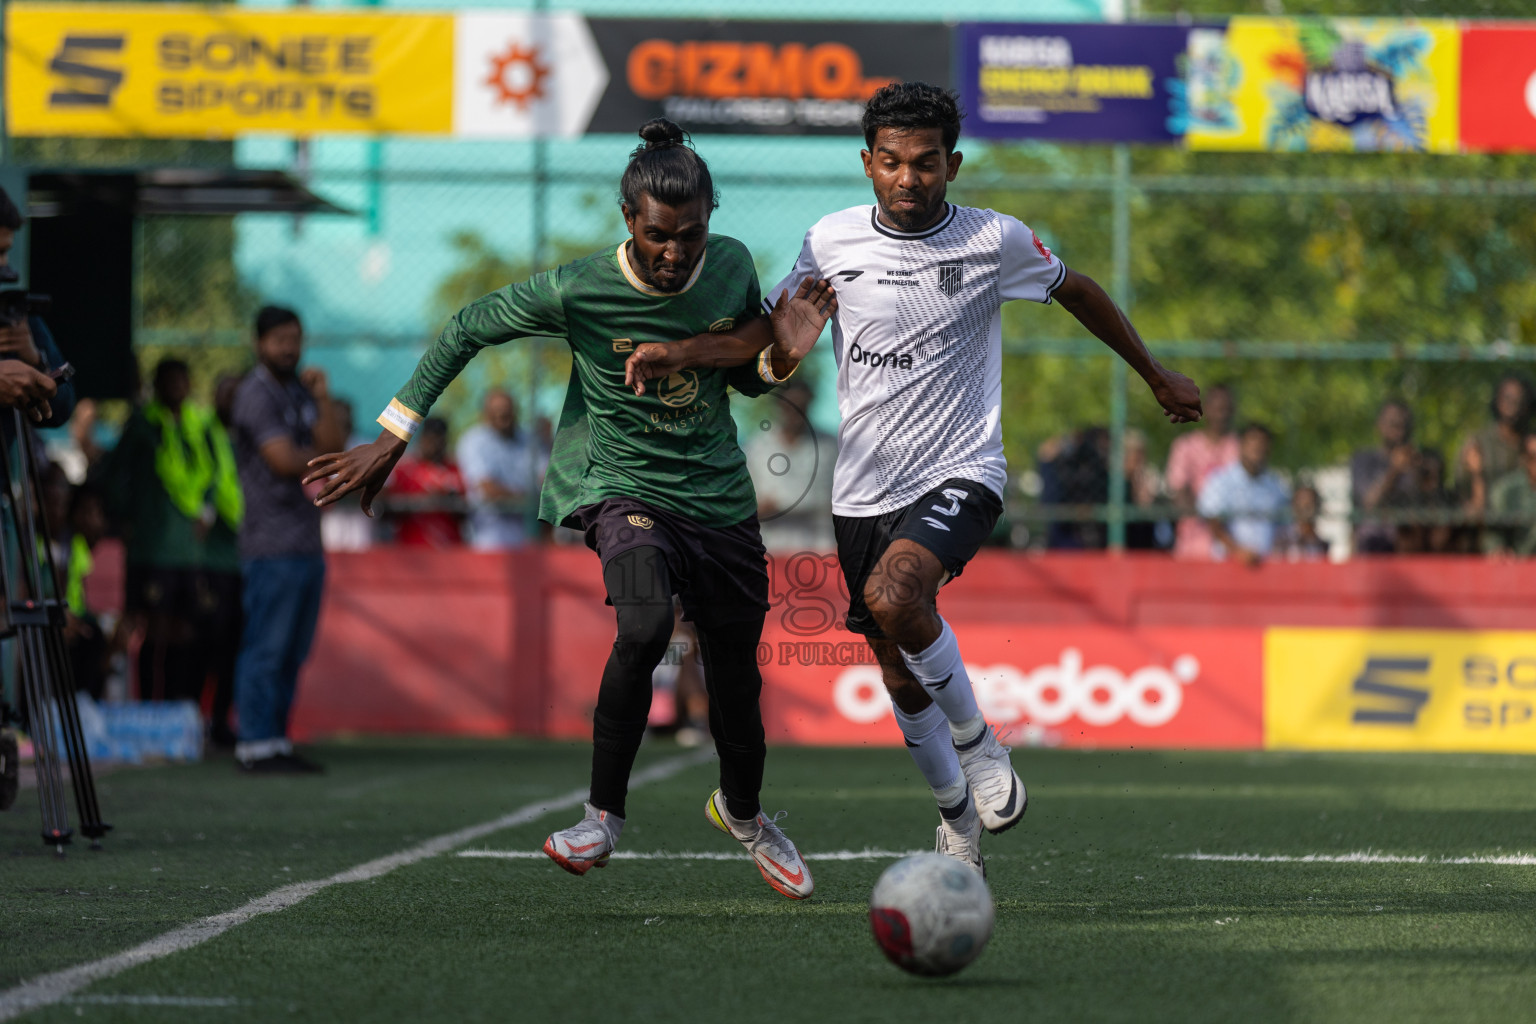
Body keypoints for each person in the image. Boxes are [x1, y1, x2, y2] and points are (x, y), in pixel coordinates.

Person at [624, 83, 1201, 875]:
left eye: (926, 163)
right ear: (867, 163)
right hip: (861, 490)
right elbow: (773, 334)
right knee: (895, 663)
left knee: (898, 598)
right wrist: (686, 353)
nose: (908, 178)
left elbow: (1079, 291)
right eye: (891, 162)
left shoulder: (993, 240)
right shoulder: (828, 241)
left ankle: (983, 747)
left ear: (952, 165)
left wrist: (1155, 373)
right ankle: (954, 814)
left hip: (962, 467)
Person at [304, 120, 837, 897]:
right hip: (622, 488)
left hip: (718, 497)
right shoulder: (579, 288)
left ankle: (746, 814)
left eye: (689, 235)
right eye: (657, 235)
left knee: (734, 681)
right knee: (647, 624)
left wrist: (781, 353)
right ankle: (601, 819)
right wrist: (394, 431)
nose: (673, 253)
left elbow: (747, 377)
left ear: (709, 224)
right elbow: (465, 327)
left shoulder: (729, 267)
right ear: (630, 220)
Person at [229, 306, 347, 773]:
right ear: (259, 343)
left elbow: (334, 445)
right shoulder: (254, 393)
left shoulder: (299, 389)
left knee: (293, 650)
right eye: (279, 340)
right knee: (267, 647)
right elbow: (281, 460)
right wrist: (318, 456)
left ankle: (275, 740)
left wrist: (322, 397)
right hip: (269, 543)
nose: (290, 349)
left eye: (295, 339)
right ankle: (254, 744)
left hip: (304, 542)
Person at [98, 359, 241, 707]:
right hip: (152, 547)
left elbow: (215, 472)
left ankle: (179, 710)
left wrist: (207, 510)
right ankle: (148, 707)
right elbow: (114, 474)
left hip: (189, 550)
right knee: (152, 630)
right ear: (157, 385)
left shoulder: (200, 425)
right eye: (169, 381)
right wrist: (126, 518)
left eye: (182, 380)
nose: (177, 387)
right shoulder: (143, 425)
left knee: (186, 631)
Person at [0, 187, 70, 426]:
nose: (3, 265)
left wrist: (36, 360)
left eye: (5, 252)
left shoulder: (12, 315)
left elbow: (60, 411)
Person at [741, 378, 836, 551]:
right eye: (789, 407)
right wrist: (761, 509)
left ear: (810, 404)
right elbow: (743, 508)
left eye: (801, 407)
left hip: (821, 549)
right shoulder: (756, 447)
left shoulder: (830, 447)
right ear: (778, 406)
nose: (795, 414)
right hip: (772, 550)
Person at [456, 390, 538, 549]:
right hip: (489, 537)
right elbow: (488, 490)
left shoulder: (529, 440)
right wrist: (530, 500)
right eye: (498, 413)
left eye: (507, 412)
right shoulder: (473, 440)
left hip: (528, 535)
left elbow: (547, 481)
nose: (504, 418)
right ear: (486, 414)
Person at [1198, 423, 1289, 565]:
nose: (1257, 448)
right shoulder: (1221, 480)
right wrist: (1237, 551)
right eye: (1253, 442)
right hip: (1227, 565)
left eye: (1262, 444)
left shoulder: (1276, 486)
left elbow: (1284, 526)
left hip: (1266, 566)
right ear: (1241, 445)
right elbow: (1213, 522)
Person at [1165, 383, 1237, 560]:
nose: (1222, 414)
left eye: (1226, 409)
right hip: (1193, 544)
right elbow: (1180, 493)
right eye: (1217, 408)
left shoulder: (1239, 448)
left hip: (1232, 545)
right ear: (1206, 409)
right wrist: (1209, 515)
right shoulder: (1185, 447)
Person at [1458, 375, 1535, 523]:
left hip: (1526, 521)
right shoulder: (1479, 442)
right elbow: (1463, 491)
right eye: (1507, 397)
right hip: (1487, 522)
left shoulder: (1531, 443)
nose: (1513, 403)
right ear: (1497, 401)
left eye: (1519, 399)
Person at [385, 416, 466, 547]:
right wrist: (423, 501)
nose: (434, 444)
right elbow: (390, 508)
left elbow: (465, 511)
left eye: (438, 438)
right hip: (412, 547)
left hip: (448, 547)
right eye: (430, 438)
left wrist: (448, 500)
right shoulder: (406, 470)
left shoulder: (454, 470)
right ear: (422, 439)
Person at [1350, 400, 1416, 554]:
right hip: (1370, 546)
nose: (1399, 431)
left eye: (1403, 425)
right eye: (1393, 424)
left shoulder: (1415, 464)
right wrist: (1394, 471)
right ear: (1379, 425)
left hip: (1406, 548)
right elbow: (1369, 501)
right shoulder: (1363, 460)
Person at [1484, 434, 1536, 558]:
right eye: (1534, 457)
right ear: (1525, 459)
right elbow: (1493, 532)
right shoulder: (1505, 491)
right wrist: (1498, 550)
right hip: (1516, 566)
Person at [1275, 483, 1329, 562]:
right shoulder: (1282, 539)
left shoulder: (1322, 544)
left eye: (1308, 505)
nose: (1304, 510)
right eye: (1300, 505)